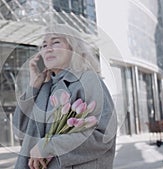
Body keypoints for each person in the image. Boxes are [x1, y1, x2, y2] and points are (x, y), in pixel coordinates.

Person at [13, 24, 117, 169]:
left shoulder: (88, 81)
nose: (48, 48)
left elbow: (103, 135)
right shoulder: (44, 87)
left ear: (74, 49)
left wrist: (49, 146)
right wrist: (33, 85)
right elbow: (20, 130)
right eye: (43, 45)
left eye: (55, 42)